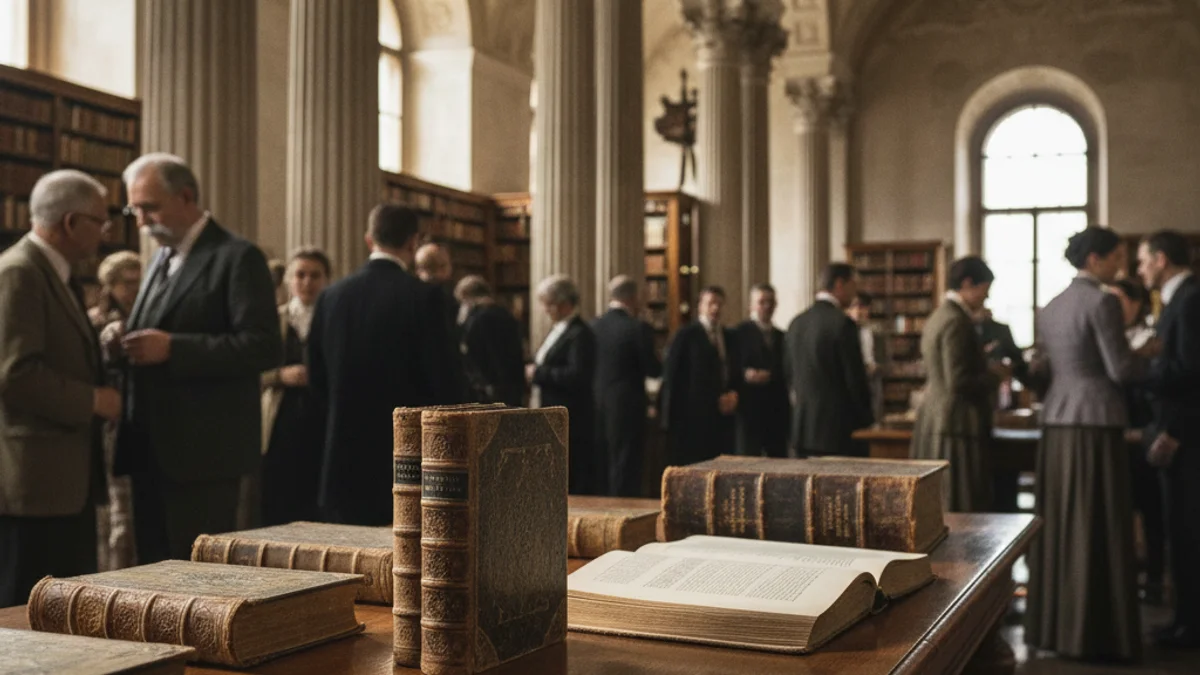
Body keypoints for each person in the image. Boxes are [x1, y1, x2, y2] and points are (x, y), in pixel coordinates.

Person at [115, 153, 281, 564]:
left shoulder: (237, 257)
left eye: (149, 207)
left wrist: (174, 348)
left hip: (203, 455)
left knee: (195, 576)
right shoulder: (160, 258)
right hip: (149, 447)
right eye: (134, 210)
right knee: (150, 574)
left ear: (186, 196)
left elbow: (262, 345)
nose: (141, 221)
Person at [1025, 226, 1155, 662]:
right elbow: (1120, 369)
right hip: (1095, 422)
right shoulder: (1103, 302)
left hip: (1057, 421)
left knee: (1064, 522)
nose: (1122, 264)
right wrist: (1154, 356)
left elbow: (1045, 368)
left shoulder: (1051, 305)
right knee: (1098, 521)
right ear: (1095, 259)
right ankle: (1097, 633)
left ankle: (1056, 628)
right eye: (1117, 256)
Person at [0, 170, 122, 607]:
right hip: (33, 485)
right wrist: (94, 400)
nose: (106, 233)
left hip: (63, 480)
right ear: (70, 223)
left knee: (63, 610)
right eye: (100, 221)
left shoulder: (57, 272)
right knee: (24, 612)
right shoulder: (19, 272)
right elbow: (14, 374)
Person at [308, 204, 463, 525]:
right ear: (413, 242)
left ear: (369, 240)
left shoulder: (331, 296)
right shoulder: (426, 297)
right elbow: (445, 382)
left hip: (342, 454)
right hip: (406, 458)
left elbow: (316, 376)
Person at [1137, 230, 1200, 647]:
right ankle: (1183, 620)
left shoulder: (1191, 300)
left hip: (1186, 437)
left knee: (1189, 532)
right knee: (1178, 531)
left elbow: (1193, 372)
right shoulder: (1177, 299)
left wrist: (1144, 366)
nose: (1140, 269)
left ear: (1161, 259)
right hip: (1175, 431)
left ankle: (1191, 627)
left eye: (1143, 260)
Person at [910, 257, 1006, 512]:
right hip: (956, 423)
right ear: (967, 284)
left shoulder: (938, 315)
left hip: (938, 418)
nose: (986, 297)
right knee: (958, 503)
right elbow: (958, 380)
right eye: (984, 290)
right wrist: (996, 375)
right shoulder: (957, 321)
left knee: (938, 501)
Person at [260, 247, 331, 526]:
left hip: (323, 417)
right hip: (282, 420)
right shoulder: (273, 320)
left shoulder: (334, 318)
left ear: (326, 280)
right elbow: (251, 371)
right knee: (280, 497)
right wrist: (280, 376)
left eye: (315, 275)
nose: (307, 282)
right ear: (289, 279)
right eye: (300, 275)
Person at [1108, 277, 1164, 604]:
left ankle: (1155, 580)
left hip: (1144, 436)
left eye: (1119, 302)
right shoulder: (1110, 340)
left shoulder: (1150, 339)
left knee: (1152, 511)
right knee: (1119, 513)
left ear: (1135, 303)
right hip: (1115, 438)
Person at [784, 264, 874, 457]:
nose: (855, 292)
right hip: (837, 432)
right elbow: (854, 380)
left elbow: (789, 375)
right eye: (853, 285)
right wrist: (867, 420)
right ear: (839, 284)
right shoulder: (843, 324)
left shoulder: (796, 323)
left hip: (801, 430)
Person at [89, 250, 142, 571]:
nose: (134, 290)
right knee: (116, 513)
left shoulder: (146, 317)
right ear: (110, 285)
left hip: (140, 422)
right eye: (127, 283)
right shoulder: (95, 322)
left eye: (138, 282)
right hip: (109, 424)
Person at [591, 275, 662, 496]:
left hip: (596, 404)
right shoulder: (638, 328)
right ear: (633, 297)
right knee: (626, 464)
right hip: (628, 405)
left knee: (601, 462)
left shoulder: (593, 326)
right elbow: (654, 369)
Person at [527, 275, 596, 494]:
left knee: (570, 474)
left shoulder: (580, 333)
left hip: (570, 414)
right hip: (550, 410)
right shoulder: (559, 330)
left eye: (549, 304)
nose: (545, 310)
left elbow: (577, 375)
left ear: (565, 303)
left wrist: (538, 373)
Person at [661, 286, 739, 465]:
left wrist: (734, 394)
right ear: (700, 306)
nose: (715, 308)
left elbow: (733, 370)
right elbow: (671, 376)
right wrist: (668, 419)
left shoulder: (730, 336)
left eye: (719, 304)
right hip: (693, 418)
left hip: (723, 419)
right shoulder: (686, 335)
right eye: (710, 303)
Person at [733, 284, 788, 458]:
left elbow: (787, 368)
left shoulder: (782, 336)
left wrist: (771, 375)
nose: (767, 306)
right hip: (748, 408)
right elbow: (730, 365)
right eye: (762, 302)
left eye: (770, 302)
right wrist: (745, 374)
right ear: (751, 305)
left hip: (775, 409)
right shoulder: (738, 333)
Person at [455, 274, 525, 406]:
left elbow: (472, 351)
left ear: (466, 296)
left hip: (489, 387)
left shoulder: (478, 318)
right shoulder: (505, 313)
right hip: (512, 383)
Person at [847, 291, 883, 424]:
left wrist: (877, 366)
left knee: (874, 414)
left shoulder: (877, 331)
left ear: (868, 309)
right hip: (853, 378)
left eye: (862, 307)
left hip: (873, 379)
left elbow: (885, 358)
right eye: (853, 306)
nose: (858, 311)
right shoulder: (843, 331)